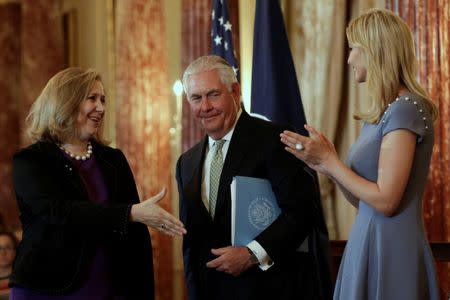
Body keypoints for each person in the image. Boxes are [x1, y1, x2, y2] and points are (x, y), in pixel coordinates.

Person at [280, 8, 439, 300]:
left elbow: (387, 201)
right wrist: (323, 165)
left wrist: (331, 161)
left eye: (354, 48)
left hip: (393, 250)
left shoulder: (406, 108)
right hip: (365, 241)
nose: (350, 57)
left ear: (376, 51)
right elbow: (361, 199)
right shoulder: (379, 116)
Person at [10, 67, 186, 299]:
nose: (101, 108)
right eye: (92, 98)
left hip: (108, 288)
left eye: (103, 99)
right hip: (46, 288)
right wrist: (130, 213)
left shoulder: (113, 159)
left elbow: (135, 236)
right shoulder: (32, 160)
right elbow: (58, 212)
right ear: (66, 102)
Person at [176, 55, 332, 300]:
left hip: (268, 289)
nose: (205, 107)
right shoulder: (186, 162)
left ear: (235, 91)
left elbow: (303, 211)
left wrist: (251, 254)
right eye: (196, 98)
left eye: (213, 94)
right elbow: (192, 245)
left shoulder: (274, 139)